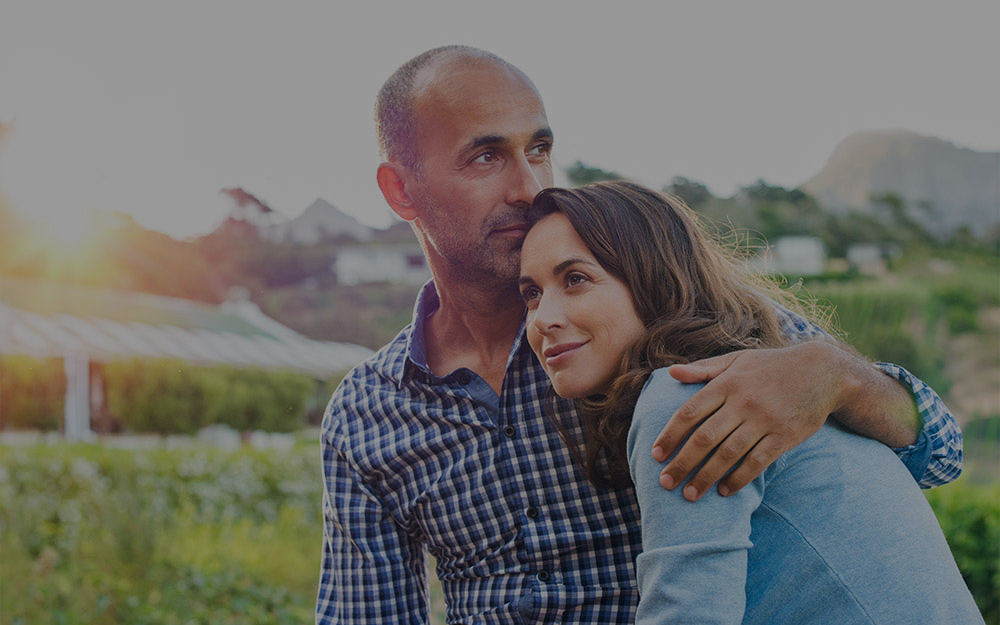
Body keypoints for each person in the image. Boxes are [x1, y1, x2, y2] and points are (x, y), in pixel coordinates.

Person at [317, 45, 962, 623]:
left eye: (539, 149)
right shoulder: (365, 415)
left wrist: (835, 376)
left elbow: (939, 452)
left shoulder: (677, 327)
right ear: (401, 190)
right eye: (486, 156)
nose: (530, 186)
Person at [518, 181, 982, 624]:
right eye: (532, 294)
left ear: (651, 280)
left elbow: (689, 617)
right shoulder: (760, 372)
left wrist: (842, 372)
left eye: (576, 279)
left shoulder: (689, 394)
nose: (543, 319)